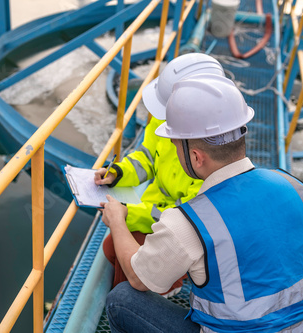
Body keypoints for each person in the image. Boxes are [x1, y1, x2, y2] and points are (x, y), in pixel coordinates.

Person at [101, 73, 303, 332]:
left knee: (122, 299)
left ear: (196, 157)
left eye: (174, 145)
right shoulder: (298, 189)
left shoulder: (189, 222)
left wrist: (117, 221)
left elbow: (139, 279)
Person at [94, 54, 225, 293]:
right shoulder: (162, 117)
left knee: (129, 266)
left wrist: (126, 216)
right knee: (111, 248)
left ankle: (162, 289)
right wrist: (117, 173)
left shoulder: (212, 165)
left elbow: (183, 218)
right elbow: (147, 156)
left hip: (175, 225)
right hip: (153, 211)